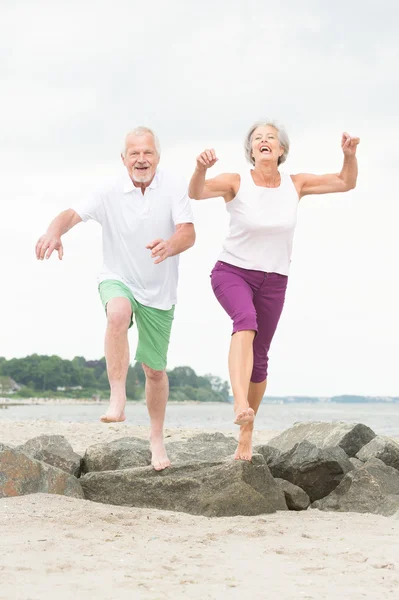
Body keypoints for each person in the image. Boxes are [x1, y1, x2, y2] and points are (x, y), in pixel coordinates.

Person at [188, 120, 359, 461]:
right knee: (245, 321)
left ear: (281, 150)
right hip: (232, 272)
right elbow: (197, 192)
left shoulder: (295, 184)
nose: (264, 141)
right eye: (257, 139)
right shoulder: (236, 181)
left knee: (261, 358)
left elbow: (345, 182)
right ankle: (239, 402)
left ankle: (246, 431)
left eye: (271, 138)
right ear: (251, 150)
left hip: (274, 280)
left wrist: (348, 155)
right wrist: (199, 169)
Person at [36, 126, 195, 470]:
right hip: (117, 278)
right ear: (123, 159)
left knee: (154, 371)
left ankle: (156, 439)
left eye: (148, 152)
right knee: (117, 314)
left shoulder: (173, 185)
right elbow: (70, 215)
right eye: (134, 153)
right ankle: (118, 397)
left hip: (159, 291)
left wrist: (170, 245)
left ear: (157, 156)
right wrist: (54, 231)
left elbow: (188, 232)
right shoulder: (108, 191)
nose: (141, 159)